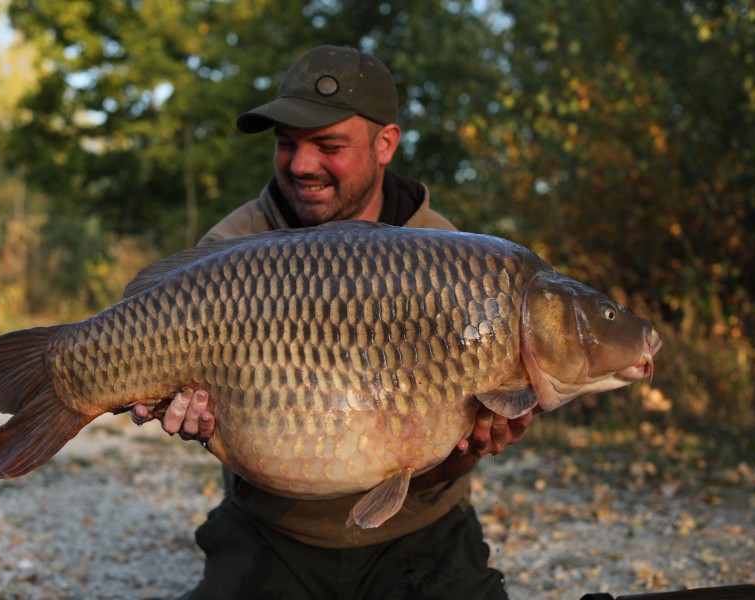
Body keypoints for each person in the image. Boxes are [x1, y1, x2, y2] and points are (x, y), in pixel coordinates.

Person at [132, 45, 535, 599]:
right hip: (274, 531)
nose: (301, 164)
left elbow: (442, 458)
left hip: (420, 531)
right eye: (286, 144)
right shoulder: (227, 251)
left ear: (385, 143)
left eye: (328, 145)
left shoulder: (453, 259)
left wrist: (469, 450)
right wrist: (189, 416)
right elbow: (196, 410)